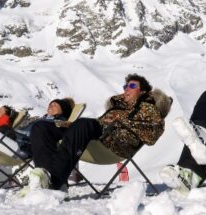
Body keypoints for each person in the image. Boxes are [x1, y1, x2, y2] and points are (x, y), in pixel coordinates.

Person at [21, 74, 171, 196]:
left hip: (116, 143)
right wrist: (65, 125)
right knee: (42, 127)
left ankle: (55, 181)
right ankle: (44, 179)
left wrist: (121, 121)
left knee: (84, 123)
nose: (127, 89)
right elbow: (99, 123)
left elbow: (153, 135)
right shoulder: (118, 106)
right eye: (125, 86)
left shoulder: (148, 108)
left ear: (143, 91)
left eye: (132, 86)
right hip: (99, 133)